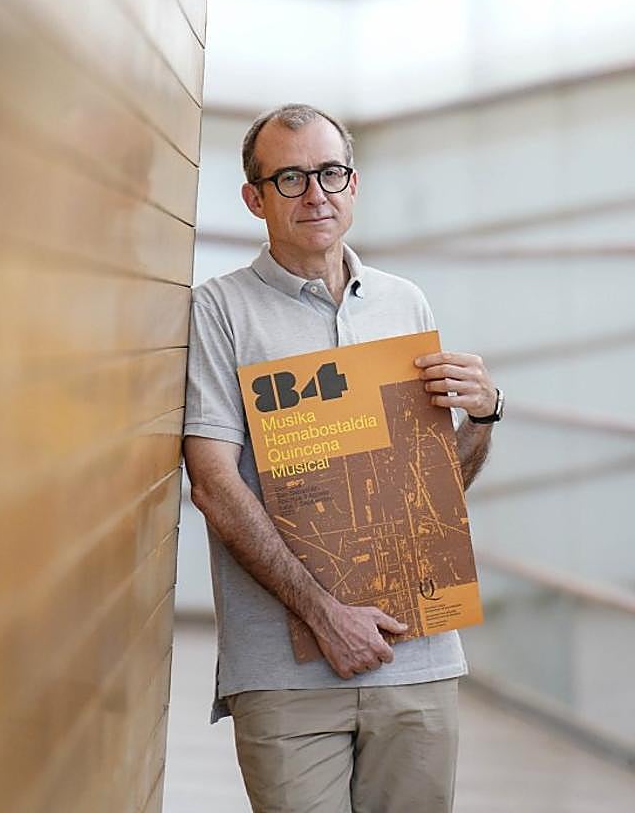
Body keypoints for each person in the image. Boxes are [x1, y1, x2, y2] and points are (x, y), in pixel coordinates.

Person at [182, 103, 503, 813]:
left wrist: (483, 415)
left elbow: (435, 488)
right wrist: (326, 615)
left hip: (417, 657)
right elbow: (212, 484)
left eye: (329, 173)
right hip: (286, 671)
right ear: (254, 197)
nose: (315, 194)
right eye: (290, 178)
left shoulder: (404, 302)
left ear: (353, 184)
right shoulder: (220, 311)